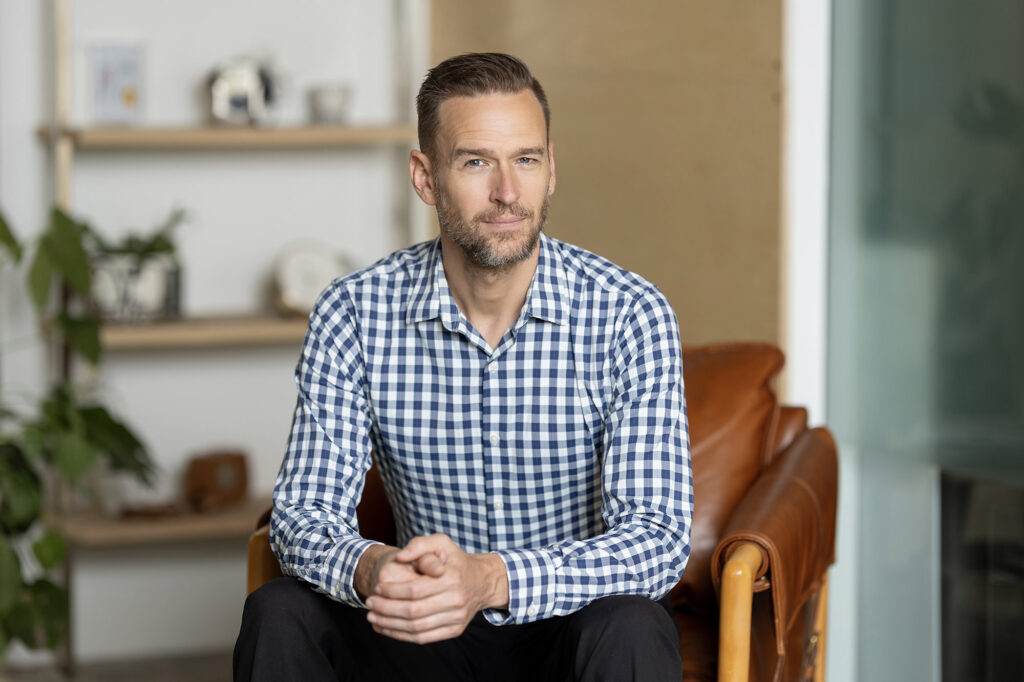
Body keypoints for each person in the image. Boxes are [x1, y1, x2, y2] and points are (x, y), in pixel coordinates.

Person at [234, 52, 692, 681]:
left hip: (570, 630)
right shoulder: (354, 313)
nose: (508, 192)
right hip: (421, 636)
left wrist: (490, 579)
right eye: (476, 162)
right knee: (280, 611)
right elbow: (303, 516)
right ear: (425, 178)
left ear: (551, 168)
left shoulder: (628, 314)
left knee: (633, 625)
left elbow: (656, 538)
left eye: (526, 160)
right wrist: (375, 570)